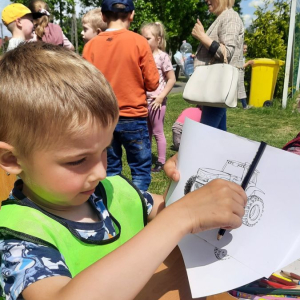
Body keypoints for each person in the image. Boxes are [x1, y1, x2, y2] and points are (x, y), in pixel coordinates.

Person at [0, 42, 247, 300]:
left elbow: (165, 211)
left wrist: (186, 187)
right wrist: (181, 217)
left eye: (105, 150)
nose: (99, 172)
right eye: (77, 160)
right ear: (12, 159)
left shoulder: (113, 191)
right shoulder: (19, 238)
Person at [83, 0, 159, 192]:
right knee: (141, 170)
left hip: (104, 118)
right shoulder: (139, 42)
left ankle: (114, 207)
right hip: (134, 117)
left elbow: (84, 86)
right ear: (131, 15)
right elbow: (153, 83)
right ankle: (140, 205)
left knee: (110, 170)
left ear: (103, 16)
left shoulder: (90, 46)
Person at [191, 0, 244, 131]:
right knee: (218, 134)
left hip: (217, 86)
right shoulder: (223, 17)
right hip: (215, 88)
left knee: (204, 135)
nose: (206, 1)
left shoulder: (230, 17)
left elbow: (227, 53)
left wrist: (202, 36)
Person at [140, 22, 176, 172]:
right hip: (144, 101)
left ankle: (161, 162)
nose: (144, 41)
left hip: (156, 102)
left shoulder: (162, 57)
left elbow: (172, 79)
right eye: (142, 38)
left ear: (158, 39)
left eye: (147, 38)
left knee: (157, 131)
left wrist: (161, 97)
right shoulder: (141, 56)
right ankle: (146, 159)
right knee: (146, 132)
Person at [238, 43, 254, 109]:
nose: (245, 50)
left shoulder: (243, 57)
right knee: (241, 89)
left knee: (238, 89)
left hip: (241, 73)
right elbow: (239, 66)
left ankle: (234, 105)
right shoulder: (239, 56)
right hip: (238, 73)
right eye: (244, 49)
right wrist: (248, 63)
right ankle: (245, 106)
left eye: (246, 49)